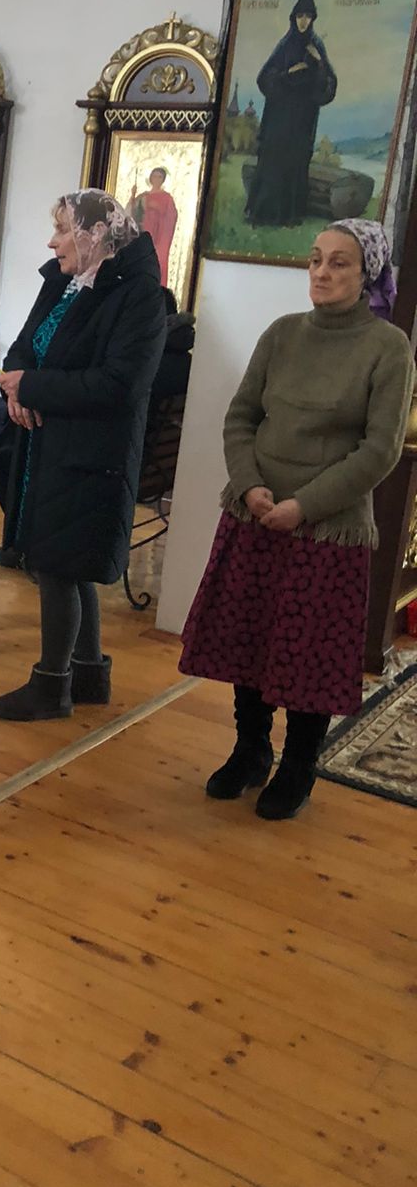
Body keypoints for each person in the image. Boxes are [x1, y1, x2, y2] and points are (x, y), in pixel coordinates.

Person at [180, 219, 413, 820]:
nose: (321, 272)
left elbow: (380, 450)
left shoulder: (388, 348)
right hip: (256, 515)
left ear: (367, 275)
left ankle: (299, 764)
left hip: (325, 529)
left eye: (339, 262)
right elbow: (241, 417)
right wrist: (250, 486)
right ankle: (250, 749)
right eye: (315, 260)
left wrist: (303, 506)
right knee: (250, 639)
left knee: (308, 654)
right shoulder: (282, 334)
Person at [0, 190, 166, 720]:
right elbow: (24, 347)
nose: (53, 242)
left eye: (64, 230)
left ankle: (51, 686)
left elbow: (119, 385)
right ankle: (88, 674)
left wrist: (33, 387)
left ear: (96, 235)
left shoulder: (139, 296)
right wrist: (17, 386)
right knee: (67, 562)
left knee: (58, 565)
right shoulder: (65, 281)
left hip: (92, 452)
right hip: (48, 443)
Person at [244, 0, 337, 227]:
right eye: (299, 16)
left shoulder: (316, 45)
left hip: (302, 119)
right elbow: (264, 78)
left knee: (295, 164)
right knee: (272, 162)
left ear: (313, 19)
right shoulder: (285, 44)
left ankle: (290, 215)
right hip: (279, 116)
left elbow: (328, 84)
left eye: (308, 16)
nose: (303, 21)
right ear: (293, 18)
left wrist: (319, 62)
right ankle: (263, 213)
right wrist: (288, 73)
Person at [128, 167, 179, 282]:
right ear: (150, 178)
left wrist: (157, 209)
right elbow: (132, 213)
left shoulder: (167, 198)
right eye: (154, 176)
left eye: (160, 177)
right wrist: (133, 195)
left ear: (163, 179)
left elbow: (172, 217)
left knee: (157, 260)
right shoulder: (143, 196)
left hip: (159, 235)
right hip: (144, 231)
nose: (157, 179)